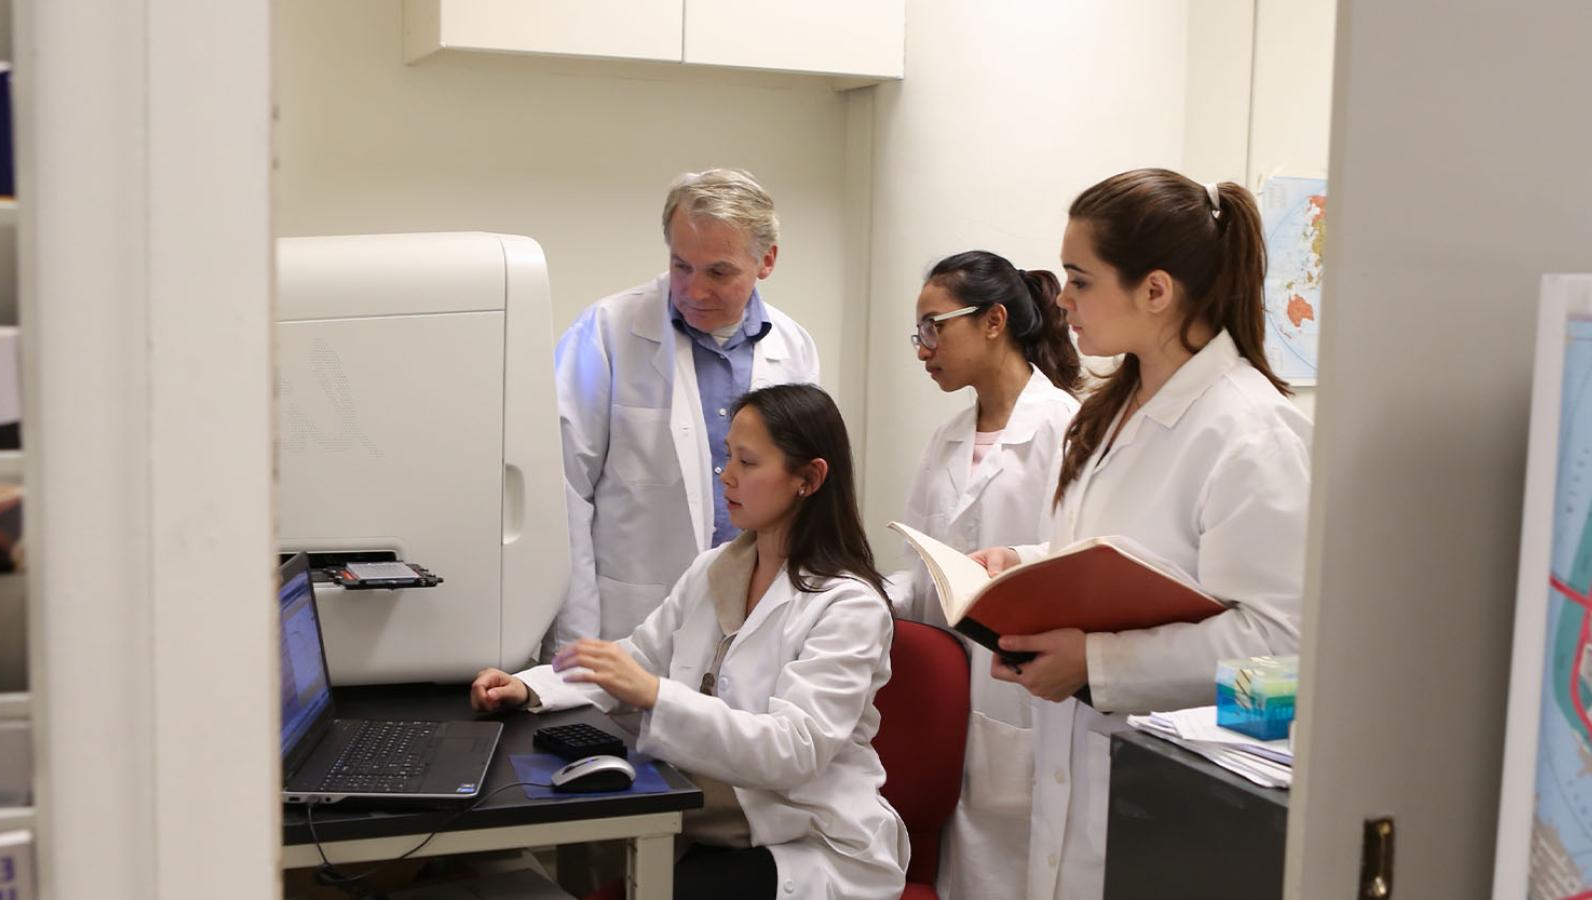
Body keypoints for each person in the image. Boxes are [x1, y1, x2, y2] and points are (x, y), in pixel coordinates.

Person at [971, 169, 1312, 900]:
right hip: (1083, 773)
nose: (1060, 299)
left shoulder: (1251, 433)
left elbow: (1279, 646)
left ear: (1155, 291)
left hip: (1175, 803)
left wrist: (1098, 663)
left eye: (1079, 278)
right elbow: (1125, 554)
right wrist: (1023, 563)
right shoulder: (1115, 408)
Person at [473, 383, 908, 900]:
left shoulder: (849, 605)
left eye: (748, 462)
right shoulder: (715, 569)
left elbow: (794, 751)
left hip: (806, 842)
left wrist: (655, 694)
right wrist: (530, 688)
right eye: (728, 457)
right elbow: (636, 660)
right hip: (710, 826)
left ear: (808, 479)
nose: (727, 475)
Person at [550, 169, 820, 651]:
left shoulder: (793, 346)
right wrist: (576, 638)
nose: (694, 291)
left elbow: (802, 494)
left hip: (754, 616)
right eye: (681, 267)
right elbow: (563, 490)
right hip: (631, 617)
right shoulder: (608, 331)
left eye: (718, 272)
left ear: (766, 261)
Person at [888, 249, 1082, 900]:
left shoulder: (1064, 429)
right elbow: (917, 575)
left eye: (933, 327)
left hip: (1022, 696)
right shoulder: (945, 439)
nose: (923, 348)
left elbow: (1073, 568)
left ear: (993, 321)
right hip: (948, 700)